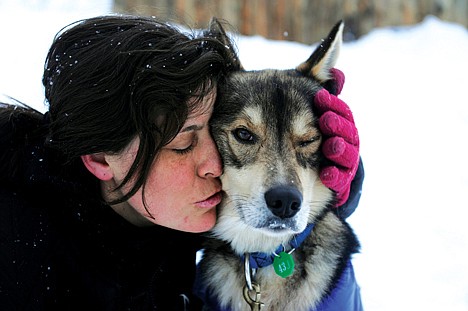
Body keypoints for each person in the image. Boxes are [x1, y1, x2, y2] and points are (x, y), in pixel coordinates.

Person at [0, 15, 363, 310]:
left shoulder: (168, 217)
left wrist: (338, 180)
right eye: (184, 144)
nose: (214, 164)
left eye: (211, 132)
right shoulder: (27, 266)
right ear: (99, 158)